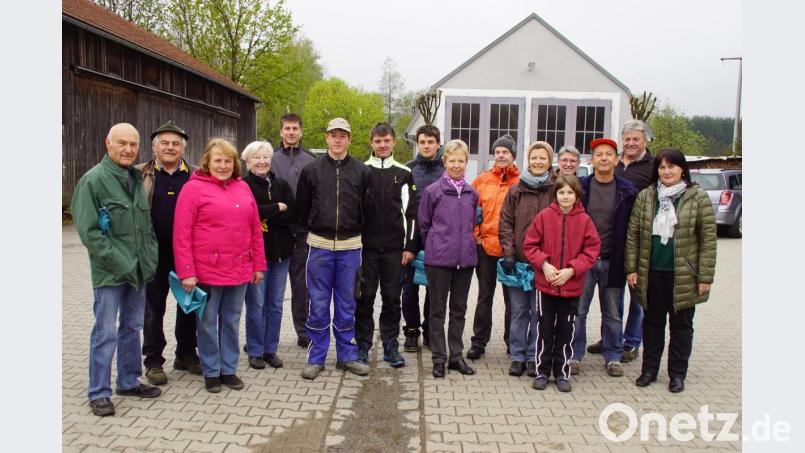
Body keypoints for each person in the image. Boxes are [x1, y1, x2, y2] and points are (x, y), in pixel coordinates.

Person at [71, 123, 161, 416]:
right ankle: (98, 392)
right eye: (122, 143)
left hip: (138, 272)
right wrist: (119, 261)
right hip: (110, 273)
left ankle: (128, 380)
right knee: (105, 331)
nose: (128, 149)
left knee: (132, 328)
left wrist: (150, 257)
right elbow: (89, 233)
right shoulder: (93, 181)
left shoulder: (137, 177)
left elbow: (144, 227)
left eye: (133, 144)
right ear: (107, 143)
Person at [173, 138, 266, 393]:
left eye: (228, 161)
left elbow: (255, 230)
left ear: (235, 164)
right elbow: (181, 234)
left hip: (238, 269)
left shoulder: (242, 188)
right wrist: (187, 272)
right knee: (207, 322)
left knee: (232, 321)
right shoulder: (193, 189)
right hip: (207, 270)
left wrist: (259, 264)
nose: (223, 165)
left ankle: (229, 369)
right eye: (218, 160)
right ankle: (211, 371)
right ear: (207, 162)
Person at [625, 149, 717, 393]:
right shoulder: (646, 196)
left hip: (684, 275)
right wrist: (631, 268)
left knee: (681, 327)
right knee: (652, 324)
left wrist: (705, 276)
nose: (666, 171)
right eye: (662, 167)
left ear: (682, 169)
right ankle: (649, 371)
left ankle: (677, 374)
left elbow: (708, 239)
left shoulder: (697, 197)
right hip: (651, 272)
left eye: (672, 167)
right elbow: (633, 235)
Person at [296, 117, 371, 380]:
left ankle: (347, 357)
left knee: (346, 303)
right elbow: (302, 208)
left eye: (343, 135)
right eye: (333, 135)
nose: (337, 140)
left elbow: (367, 209)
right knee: (317, 303)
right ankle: (316, 358)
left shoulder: (362, 171)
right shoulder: (311, 171)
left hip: (351, 248)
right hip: (319, 247)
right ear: (326, 137)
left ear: (350, 139)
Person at [136, 120, 201, 386]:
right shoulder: (140, 174)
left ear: (183, 147)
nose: (170, 147)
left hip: (187, 253)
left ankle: (186, 354)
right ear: (155, 147)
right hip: (154, 254)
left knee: (189, 306)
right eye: (165, 143)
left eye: (176, 143)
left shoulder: (196, 175)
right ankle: (153, 362)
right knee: (153, 309)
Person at [523, 175, 600, 392]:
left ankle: (562, 372)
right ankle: (542, 371)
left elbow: (591, 250)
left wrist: (572, 270)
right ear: (555, 194)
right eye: (561, 192)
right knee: (544, 329)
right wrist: (544, 265)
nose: (565, 197)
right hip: (545, 285)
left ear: (576, 195)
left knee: (566, 331)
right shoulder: (544, 217)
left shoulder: (585, 221)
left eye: (569, 193)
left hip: (571, 286)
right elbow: (530, 246)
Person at [569, 138, 638, 378]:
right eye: (599, 154)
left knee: (612, 312)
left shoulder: (627, 191)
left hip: (613, 260)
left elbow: (633, 229)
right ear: (592, 160)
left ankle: (613, 356)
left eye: (609, 154)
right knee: (578, 311)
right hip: (584, 261)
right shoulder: (580, 188)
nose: (604, 158)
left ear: (617, 160)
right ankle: (574, 355)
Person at [589, 120, 656, 361]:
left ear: (645, 141)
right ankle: (611, 339)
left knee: (637, 296)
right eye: (627, 139)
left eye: (635, 139)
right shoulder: (615, 163)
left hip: (636, 240)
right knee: (613, 299)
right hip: (612, 241)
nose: (630, 143)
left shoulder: (652, 166)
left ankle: (631, 342)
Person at [355, 123, 416, 368]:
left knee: (392, 299)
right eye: (378, 141)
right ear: (371, 142)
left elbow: (412, 214)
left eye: (387, 141)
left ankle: (391, 347)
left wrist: (409, 246)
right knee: (364, 298)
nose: (382, 145)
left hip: (394, 250)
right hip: (366, 249)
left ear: (394, 143)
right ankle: (362, 346)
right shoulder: (361, 170)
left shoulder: (404, 173)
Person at [418, 139, 479, 378]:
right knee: (437, 311)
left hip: (465, 261)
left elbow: (473, 224)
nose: (456, 165)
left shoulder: (472, 193)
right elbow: (424, 225)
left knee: (459, 310)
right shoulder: (433, 192)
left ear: (466, 162)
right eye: (452, 160)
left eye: (460, 161)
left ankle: (456, 356)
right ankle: (438, 358)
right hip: (439, 261)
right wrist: (435, 246)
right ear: (444, 161)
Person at [498, 141, 555, 378]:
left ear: (549, 161)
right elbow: (506, 223)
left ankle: (534, 356)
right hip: (519, 263)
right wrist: (509, 253)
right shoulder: (516, 190)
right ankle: (518, 355)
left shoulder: (556, 189)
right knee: (519, 311)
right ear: (528, 160)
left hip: (545, 264)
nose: (538, 162)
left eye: (543, 158)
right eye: (534, 158)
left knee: (538, 313)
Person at [241, 140, 297, 370]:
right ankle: (254, 350)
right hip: (255, 256)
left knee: (275, 304)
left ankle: (270, 349)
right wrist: (276, 208)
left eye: (265, 157)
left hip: (281, 253)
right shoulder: (242, 186)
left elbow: (293, 213)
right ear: (247, 161)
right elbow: (249, 214)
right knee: (255, 304)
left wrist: (268, 214)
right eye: (257, 157)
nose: (262, 161)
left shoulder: (282, 184)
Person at [468, 134, 521, 360]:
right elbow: (470, 210)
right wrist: (476, 236)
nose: (500, 155)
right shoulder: (482, 180)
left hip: (511, 251)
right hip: (485, 248)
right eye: (497, 152)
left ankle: (513, 342)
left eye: (505, 152)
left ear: (513, 156)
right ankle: (479, 342)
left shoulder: (521, 182)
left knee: (513, 300)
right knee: (484, 296)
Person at [271, 113, 317, 348]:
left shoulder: (311, 160)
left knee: (301, 286)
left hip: (302, 233)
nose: (291, 132)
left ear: (301, 131)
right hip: (274, 232)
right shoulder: (270, 159)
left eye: (295, 128)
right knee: (270, 289)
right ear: (281, 132)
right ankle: (266, 338)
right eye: (287, 128)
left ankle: (303, 332)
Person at [401, 125, 444, 352]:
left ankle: (430, 330)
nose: (426, 146)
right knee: (408, 289)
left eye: (431, 142)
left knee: (433, 288)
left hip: (436, 239)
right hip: (410, 238)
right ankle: (411, 331)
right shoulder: (407, 170)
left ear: (438, 143)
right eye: (422, 142)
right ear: (417, 144)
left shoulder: (446, 170)